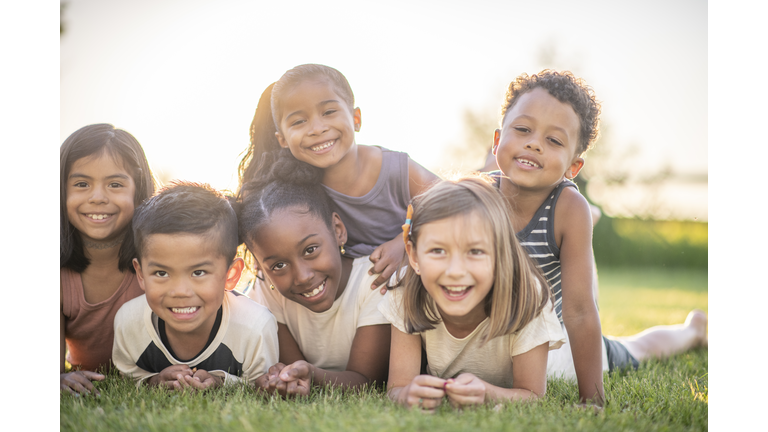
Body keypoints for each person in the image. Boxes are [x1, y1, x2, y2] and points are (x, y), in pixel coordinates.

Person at [489, 70, 707, 405]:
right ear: (496, 140)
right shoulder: (473, 195)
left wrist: (592, 399)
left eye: (554, 140)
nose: (533, 143)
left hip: (552, 336)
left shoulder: (567, 206)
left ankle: (693, 330)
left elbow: (579, 311)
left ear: (572, 168)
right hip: (492, 334)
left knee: (636, 348)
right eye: (522, 129)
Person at [238, 65, 439, 292]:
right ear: (283, 139)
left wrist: (404, 243)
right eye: (299, 122)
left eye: (328, 112)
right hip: (360, 293)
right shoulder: (299, 191)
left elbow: (451, 204)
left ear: (356, 119)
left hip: (421, 279)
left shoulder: (395, 169)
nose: (316, 128)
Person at [381, 175, 566, 409]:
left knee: (604, 358)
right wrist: (407, 393)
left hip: (555, 354)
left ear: (501, 254)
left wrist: (488, 393)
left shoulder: (529, 298)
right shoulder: (405, 290)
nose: (456, 271)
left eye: (475, 251)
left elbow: (533, 395)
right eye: (438, 250)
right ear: (414, 255)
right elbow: (397, 387)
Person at [237, 154, 391, 397]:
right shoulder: (267, 290)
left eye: (310, 250)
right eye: (278, 265)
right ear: (259, 267)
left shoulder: (375, 280)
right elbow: (293, 371)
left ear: (338, 230)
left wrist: (311, 374)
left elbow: (367, 381)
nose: (302, 276)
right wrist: (287, 377)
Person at [112, 183, 279, 390]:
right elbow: (127, 377)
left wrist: (222, 383)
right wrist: (153, 381)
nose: (180, 291)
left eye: (198, 273)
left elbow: (263, 385)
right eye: (162, 273)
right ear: (141, 274)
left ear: (231, 274)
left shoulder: (255, 328)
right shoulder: (129, 323)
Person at [60, 124, 156, 396]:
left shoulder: (157, 260)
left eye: (115, 184)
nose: (98, 197)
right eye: (81, 184)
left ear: (137, 191)